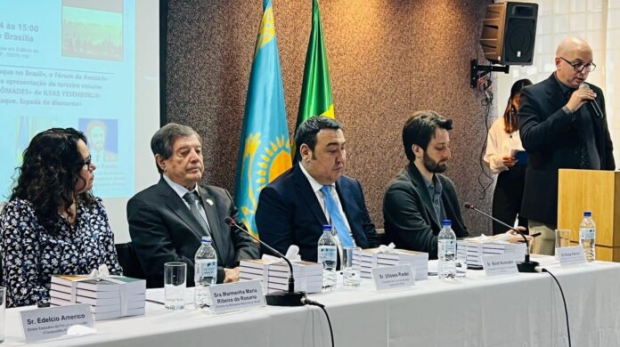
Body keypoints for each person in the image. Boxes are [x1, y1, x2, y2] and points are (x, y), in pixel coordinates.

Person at [0, 128, 122, 308]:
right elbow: (22, 293)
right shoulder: (21, 213)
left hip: (101, 317)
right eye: (86, 162)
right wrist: (81, 306)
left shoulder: (94, 207)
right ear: (62, 170)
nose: (92, 167)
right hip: (47, 325)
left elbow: (114, 273)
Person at [127, 123, 259, 288]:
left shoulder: (220, 197)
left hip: (234, 292)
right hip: (184, 299)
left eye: (198, 151)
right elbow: (164, 264)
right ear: (162, 162)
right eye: (184, 153)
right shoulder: (145, 205)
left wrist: (240, 270)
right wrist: (223, 275)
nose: (195, 158)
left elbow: (246, 241)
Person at [383, 111, 529, 259]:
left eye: (447, 146)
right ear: (417, 150)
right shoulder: (399, 192)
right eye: (440, 148)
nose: (448, 154)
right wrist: (495, 243)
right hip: (416, 275)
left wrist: (498, 240)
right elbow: (429, 246)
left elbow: (461, 236)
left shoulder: (446, 186)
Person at [519, 37, 615, 255]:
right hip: (549, 204)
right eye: (577, 64)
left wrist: (610, 187)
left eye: (588, 65)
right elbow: (530, 139)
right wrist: (568, 109)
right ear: (558, 62)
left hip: (590, 202)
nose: (583, 71)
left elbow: (604, 144)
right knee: (545, 276)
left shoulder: (595, 93)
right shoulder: (534, 94)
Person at [255, 117, 381, 262]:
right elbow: (282, 259)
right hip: (316, 280)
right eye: (333, 150)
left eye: (343, 148)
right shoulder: (277, 195)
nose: (341, 158)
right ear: (306, 152)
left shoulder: (351, 187)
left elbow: (370, 239)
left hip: (362, 277)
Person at [484, 79, 532, 235]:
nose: (522, 105)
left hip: (532, 180)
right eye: (519, 100)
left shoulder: (537, 123)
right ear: (512, 100)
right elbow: (489, 157)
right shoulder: (499, 125)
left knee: (528, 232)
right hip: (508, 179)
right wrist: (502, 160)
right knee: (501, 229)